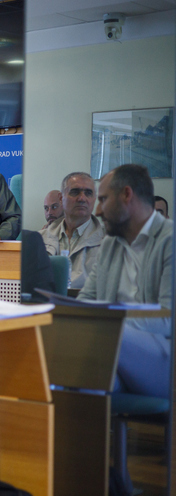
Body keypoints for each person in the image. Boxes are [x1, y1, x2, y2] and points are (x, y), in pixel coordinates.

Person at [79, 164, 172, 399]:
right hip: (112, 355)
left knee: (105, 333)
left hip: (164, 361)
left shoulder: (170, 241)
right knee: (74, 375)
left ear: (126, 195)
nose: (97, 210)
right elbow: (85, 301)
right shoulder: (109, 244)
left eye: (103, 199)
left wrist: (108, 321)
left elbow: (168, 318)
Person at [39, 172, 104, 289]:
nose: (82, 198)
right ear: (61, 198)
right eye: (75, 192)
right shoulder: (39, 239)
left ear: (94, 199)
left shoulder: (109, 241)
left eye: (88, 193)